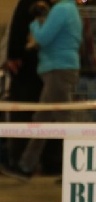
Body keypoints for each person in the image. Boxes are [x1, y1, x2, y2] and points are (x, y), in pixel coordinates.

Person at [1, 0, 82, 182]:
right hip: (60, 67)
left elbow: (43, 38)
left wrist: (36, 21)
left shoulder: (62, 9)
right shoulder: (70, 8)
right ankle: (26, 166)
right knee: (43, 119)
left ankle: (74, 167)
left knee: (62, 120)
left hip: (58, 68)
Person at [1, 0, 44, 171]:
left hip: (27, 65)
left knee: (24, 112)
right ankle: (25, 159)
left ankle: (20, 159)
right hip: (33, 64)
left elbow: (17, 29)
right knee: (37, 113)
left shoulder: (28, 4)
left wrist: (13, 55)